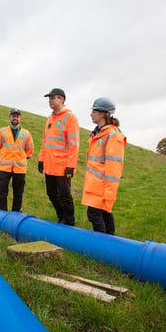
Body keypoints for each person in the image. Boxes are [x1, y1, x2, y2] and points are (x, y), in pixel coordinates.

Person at [81, 98, 126, 234]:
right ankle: (110, 244)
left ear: (102, 114)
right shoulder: (98, 134)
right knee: (104, 214)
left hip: (102, 187)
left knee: (95, 215)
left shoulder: (112, 136)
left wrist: (109, 193)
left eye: (93, 111)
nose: (91, 114)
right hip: (94, 185)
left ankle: (102, 248)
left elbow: (114, 168)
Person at [38, 88, 80, 226]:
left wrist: (71, 165)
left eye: (53, 98)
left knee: (64, 196)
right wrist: (41, 159)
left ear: (61, 99)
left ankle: (69, 221)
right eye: (49, 99)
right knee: (51, 194)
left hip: (63, 167)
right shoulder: (49, 119)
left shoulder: (70, 118)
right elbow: (45, 142)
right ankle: (61, 216)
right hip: (49, 165)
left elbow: (74, 145)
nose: (50, 101)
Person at [0, 108, 34, 211]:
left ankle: (16, 214)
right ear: (10, 117)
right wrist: (4, 156)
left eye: (17, 116)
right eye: (13, 116)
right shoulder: (1, 131)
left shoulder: (26, 134)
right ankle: (1, 214)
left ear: (20, 118)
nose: (15, 118)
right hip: (4, 167)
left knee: (18, 193)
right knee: (1, 192)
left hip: (20, 168)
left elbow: (30, 150)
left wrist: (21, 159)